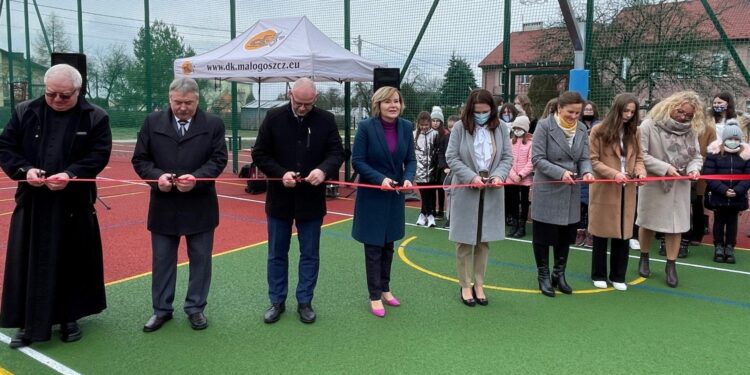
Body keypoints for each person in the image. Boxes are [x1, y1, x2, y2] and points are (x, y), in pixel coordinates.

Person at [0, 64, 111, 348]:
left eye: (65, 95)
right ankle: (26, 322)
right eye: (51, 95)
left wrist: (71, 174)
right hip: (33, 201)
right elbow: (6, 147)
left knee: (72, 261)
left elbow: (98, 154)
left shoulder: (95, 117)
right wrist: (25, 170)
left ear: (78, 90)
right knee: (27, 261)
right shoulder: (26, 111)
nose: (58, 100)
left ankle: (69, 317)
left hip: (73, 202)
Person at [132, 77, 228, 332]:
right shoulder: (152, 123)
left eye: (188, 103)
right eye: (177, 102)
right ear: (169, 99)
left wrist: (197, 178)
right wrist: (156, 178)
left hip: (200, 203)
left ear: (198, 100)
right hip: (164, 204)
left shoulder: (214, 124)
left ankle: (195, 308)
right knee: (162, 260)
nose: (183, 108)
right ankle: (161, 310)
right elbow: (140, 159)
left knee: (200, 260)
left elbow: (218, 160)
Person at [252, 78, 344, 324]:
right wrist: (280, 173)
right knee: (276, 253)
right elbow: (259, 153)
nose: (303, 108)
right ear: (290, 94)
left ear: (315, 99)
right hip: (280, 200)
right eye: (298, 102)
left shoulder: (326, 119)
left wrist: (323, 171)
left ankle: (305, 301)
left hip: (312, 201)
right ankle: (277, 301)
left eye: (308, 104)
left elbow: (337, 153)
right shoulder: (273, 117)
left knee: (310, 254)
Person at [351, 86, 416, 317]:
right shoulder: (366, 127)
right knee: (374, 248)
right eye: (388, 101)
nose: (393, 105)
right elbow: (357, 161)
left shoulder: (406, 127)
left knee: (389, 245)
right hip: (373, 197)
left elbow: (410, 160)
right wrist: (381, 179)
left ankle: (386, 289)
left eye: (397, 101)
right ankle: (374, 295)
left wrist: (407, 179)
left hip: (394, 196)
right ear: (378, 104)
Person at [446, 89, 512, 307]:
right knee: (465, 241)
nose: (481, 115)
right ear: (470, 110)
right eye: (477, 112)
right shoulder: (459, 128)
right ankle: (465, 285)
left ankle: (479, 283)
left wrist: (498, 176)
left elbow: (506, 157)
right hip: (466, 187)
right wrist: (471, 176)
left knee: (484, 240)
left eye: (485, 111)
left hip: (492, 188)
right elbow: (452, 157)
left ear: (492, 110)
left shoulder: (501, 128)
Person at [636, 91, 705, 288]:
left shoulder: (691, 130)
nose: (683, 117)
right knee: (647, 222)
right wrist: (665, 168)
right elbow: (642, 154)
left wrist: (693, 170)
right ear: (670, 106)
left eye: (688, 115)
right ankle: (644, 256)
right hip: (654, 182)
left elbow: (696, 156)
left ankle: (671, 265)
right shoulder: (649, 125)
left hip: (679, 186)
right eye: (680, 112)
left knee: (676, 226)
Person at [531, 91, 593, 297]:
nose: (574, 117)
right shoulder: (544, 126)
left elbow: (584, 157)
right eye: (570, 112)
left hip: (571, 190)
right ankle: (544, 275)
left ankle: (559, 274)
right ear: (559, 108)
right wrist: (561, 172)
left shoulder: (582, 129)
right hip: (548, 188)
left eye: (578, 113)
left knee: (565, 236)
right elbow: (538, 159)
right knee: (544, 236)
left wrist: (587, 172)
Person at [587, 93, 645, 291]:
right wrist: (614, 174)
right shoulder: (598, 131)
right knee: (601, 233)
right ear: (617, 109)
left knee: (624, 232)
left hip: (627, 189)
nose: (628, 115)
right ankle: (598, 274)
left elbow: (639, 158)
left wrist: (640, 173)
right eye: (625, 110)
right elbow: (593, 161)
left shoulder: (635, 132)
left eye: (632, 112)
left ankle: (618, 275)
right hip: (605, 188)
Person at [703, 125, 750, 264]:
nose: (733, 141)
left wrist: (738, 190)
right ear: (724, 139)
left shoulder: (745, 156)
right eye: (730, 138)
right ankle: (718, 246)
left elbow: (748, 176)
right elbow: (709, 175)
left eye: (736, 138)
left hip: (737, 196)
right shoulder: (714, 154)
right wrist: (723, 190)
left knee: (732, 222)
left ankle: (730, 247)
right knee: (718, 221)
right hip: (719, 195)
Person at [505, 115, 533, 238]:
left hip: (524, 179)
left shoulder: (531, 143)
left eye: (520, 128)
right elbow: (506, 160)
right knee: (513, 202)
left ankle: (522, 227)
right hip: (511, 179)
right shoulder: (510, 142)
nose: (517, 130)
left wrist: (521, 175)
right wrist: (513, 175)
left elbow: (531, 162)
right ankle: (515, 225)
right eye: (515, 128)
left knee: (524, 203)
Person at [413, 111, 439, 227]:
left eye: (426, 125)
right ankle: (430, 215)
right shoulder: (413, 135)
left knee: (429, 194)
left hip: (432, 171)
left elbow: (437, 151)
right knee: (423, 194)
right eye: (421, 125)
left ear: (429, 123)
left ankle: (423, 214)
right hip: (419, 171)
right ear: (418, 124)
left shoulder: (435, 134)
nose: (424, 127)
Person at [431, 108, 450, 220]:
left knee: (441, 188)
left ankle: (441, 211)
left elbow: (445, 151)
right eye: (433, 120)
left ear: (441, 122)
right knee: (432, 188)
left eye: (438, 120)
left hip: (442, 165)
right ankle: (432, 210)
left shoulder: (446, 134)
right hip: (432, 165)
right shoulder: (428, 133)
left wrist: (444, 165)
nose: (435, 123)